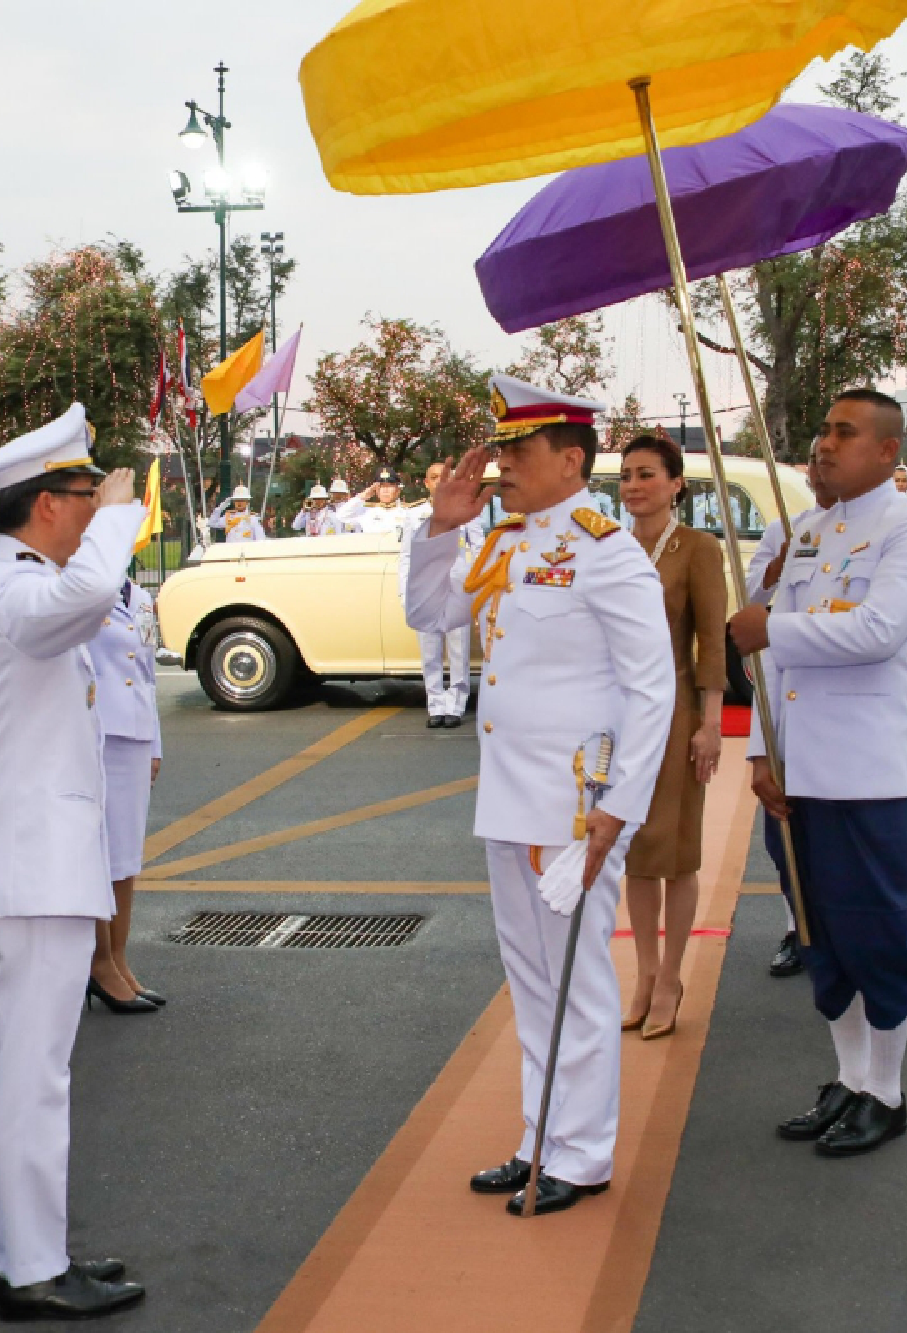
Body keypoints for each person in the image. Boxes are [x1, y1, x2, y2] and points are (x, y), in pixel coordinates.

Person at [405, 374, 674, 1217]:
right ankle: (539, 1138)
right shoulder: (506, 540)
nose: (500, 467)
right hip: (510, 799)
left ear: (570, 459)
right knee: (531, 978)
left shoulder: (606, 550)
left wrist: (619, 807)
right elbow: (431, 614)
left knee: (576, 980)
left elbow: (651, 687)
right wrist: (441, 529)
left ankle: (583, 1156)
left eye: (517, 452)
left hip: (574, 807)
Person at [0, 403, 147, 1320]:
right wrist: (121, 519)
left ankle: (20, 1250)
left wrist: (104, 521)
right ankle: (31, 1268)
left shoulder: (16, 583)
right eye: (86, 491)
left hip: (32, 866)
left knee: (15, 1070)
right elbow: (80, 604)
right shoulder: (7, 587)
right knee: (32, 1073)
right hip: (31, 871)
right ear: (48, 507)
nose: (98, 502)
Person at [727, 389, 907, 1158]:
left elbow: (879, 631)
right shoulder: (809, 533)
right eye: (821, 429)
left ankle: (886, 1089)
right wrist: (759, 748)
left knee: (878, 930)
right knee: (820, 934)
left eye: (843, 432)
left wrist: (772, 623)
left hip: (863, 772)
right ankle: (849, 1078)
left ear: (886, 449)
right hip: (797, 767)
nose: (824, 443)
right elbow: (769, 664)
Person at [616, 437, 726, 1039]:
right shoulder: (610, 548)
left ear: (676, 483)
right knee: (633, 849)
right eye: (627, 476)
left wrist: (710, 724)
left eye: (648, 475)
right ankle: (642, 972)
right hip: (621, 717)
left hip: (678, 712)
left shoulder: (697, 548)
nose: (635, 486)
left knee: (676, 852)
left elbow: (712, 640)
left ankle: (672, 976)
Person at [743, 455, 838, 979]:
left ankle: (839, 930)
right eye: (816, 470)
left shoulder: (882, 528)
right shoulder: (785, 528)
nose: (822, 477)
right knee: (782, 837)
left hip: (841, 713)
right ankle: (795, 926)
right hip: (784, 692)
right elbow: (754, 602)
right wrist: (775, 569)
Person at [86, 567, 166, 1014]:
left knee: (126, 858)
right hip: (96, 735)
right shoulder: (81, 588)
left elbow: (148, 673)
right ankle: (99, 963)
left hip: (133, 734)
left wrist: (153, 741)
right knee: (100, 857)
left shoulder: (138, 596)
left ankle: (119, 959)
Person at [401, 460, 480, 728]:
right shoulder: (415, 515)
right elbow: (407, 558)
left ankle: (456, 704)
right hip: (426, 588)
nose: (439, 481)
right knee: (430, 650)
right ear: (426, 483)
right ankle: (435, 704)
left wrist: (478, 593)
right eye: (434, 477)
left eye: (444, 477)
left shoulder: (467, 510)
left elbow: (479, 552)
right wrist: (406, 594)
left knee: (459, 650)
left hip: (457, 585)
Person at [335, 468, 410, 535]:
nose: (385, 490)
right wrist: (363, 496)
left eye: (389, 486)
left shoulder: (407, 511)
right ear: (375, 490)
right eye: (381, 486)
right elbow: (341, 515)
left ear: (398, 490)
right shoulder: (367, 512)